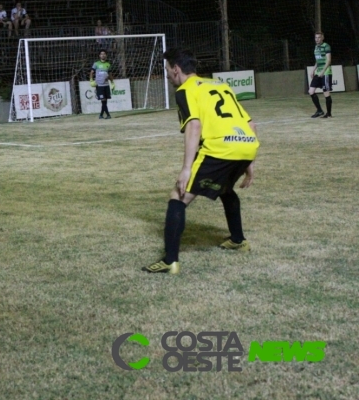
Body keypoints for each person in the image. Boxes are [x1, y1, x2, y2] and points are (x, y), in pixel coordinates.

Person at [142, 48, 260, 274]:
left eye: (167, 71)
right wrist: (249, 162)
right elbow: (251, 125)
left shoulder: (185, 91)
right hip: (246, 144)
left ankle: (170, 261)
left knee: (178, 196)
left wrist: (186, 169)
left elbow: (194, 126)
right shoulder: (220, 86)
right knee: (225, 189)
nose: (167, 76)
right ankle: (237, 240)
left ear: (176, 70)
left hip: (219, 148)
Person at [309, 32, 332, 118]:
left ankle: (329, 114)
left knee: (326, 93)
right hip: (318, 72)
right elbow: (318, 61)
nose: (317, 39)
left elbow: (328, 60)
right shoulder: (316, 47)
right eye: (316, 38)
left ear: (323, 38)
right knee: (311, 91)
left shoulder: (326, 46)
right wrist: (313, 70)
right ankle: (319, 110)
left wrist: (323, 71)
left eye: (319, 37)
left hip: (325, 72)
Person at [89, 49, 115, 119]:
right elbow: (92, 72)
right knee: (103, 100)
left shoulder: (108, 64)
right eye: (101, 54)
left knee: (105, 102)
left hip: (106, 85)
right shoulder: (96, 64)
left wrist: (112, 82)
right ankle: (108, 115)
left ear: (106, 55)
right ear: (99, 55)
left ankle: (101, 115)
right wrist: (91, 80)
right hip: (99, 86)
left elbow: (110, 74)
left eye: (104, 54)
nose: (103, 55)